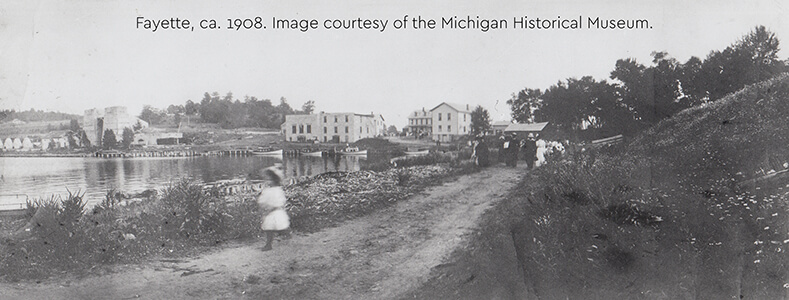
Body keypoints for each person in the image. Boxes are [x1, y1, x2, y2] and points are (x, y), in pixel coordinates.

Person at [255, 164, 290, 251]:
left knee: (278, 225)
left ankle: (286, 233)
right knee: (268, 229)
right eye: (266, 179)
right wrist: (263, 207)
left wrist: (272, 207)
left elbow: (280, 201)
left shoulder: (277, 190)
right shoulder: (267, 190)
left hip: (275, 211)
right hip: (269, 212)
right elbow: (263, 201)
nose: (267, 181)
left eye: (269, 179)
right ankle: (268, 244)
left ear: (275, 180)